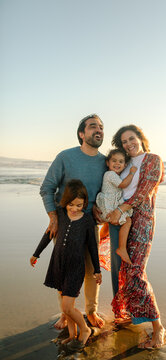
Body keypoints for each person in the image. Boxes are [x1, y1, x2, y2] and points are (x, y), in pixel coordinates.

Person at [39, 114, 106, 329]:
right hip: (64, 222)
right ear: (81, 133)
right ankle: (66, 312)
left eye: (101, 127)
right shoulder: (65, 157)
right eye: (93, 126)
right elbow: (47, 188)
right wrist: (53, 218)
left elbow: (109, 191)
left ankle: (92, 311)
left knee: (90, 271)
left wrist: (100, 208)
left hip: (89, 225)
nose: (98, 130)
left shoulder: (105, 162)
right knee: (65, 269)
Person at [107, 125, 166, 349]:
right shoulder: (125, 163)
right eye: (124, 141)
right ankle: (132, 315)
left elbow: (144, 191)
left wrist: (121, 209)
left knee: (136, 270)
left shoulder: (152, 159)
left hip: (141, 219)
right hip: (121, 220)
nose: (129, 144)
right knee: (123, 268)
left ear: (140, 138)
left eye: (132, 138)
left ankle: (158, 328)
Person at [30, 180, 102, 351]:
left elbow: (92, 247)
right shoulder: (60, 215)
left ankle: (84, 330)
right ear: (65, 201)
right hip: (58, 264)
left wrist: (97, 270)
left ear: (84, 202)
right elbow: (48, 235)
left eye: (79, 205)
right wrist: (36, 253)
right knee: (67, 307)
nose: (75, 208)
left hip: (75, 268)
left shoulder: (87, 221)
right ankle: (72, 334)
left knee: (67, 307)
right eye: (71, 204)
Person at [96, 149, 137, 265]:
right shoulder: (110, 174)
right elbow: (123, 184)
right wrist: (132, 173)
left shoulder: (113, 175)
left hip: (109, 206)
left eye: (120, 161)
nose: (117, 164)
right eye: (114, 161)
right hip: (109, 208)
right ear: (107, 163)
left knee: (107, 227)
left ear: (124, 165)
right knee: (128, 221)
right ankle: (121, 248)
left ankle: (99, 241)